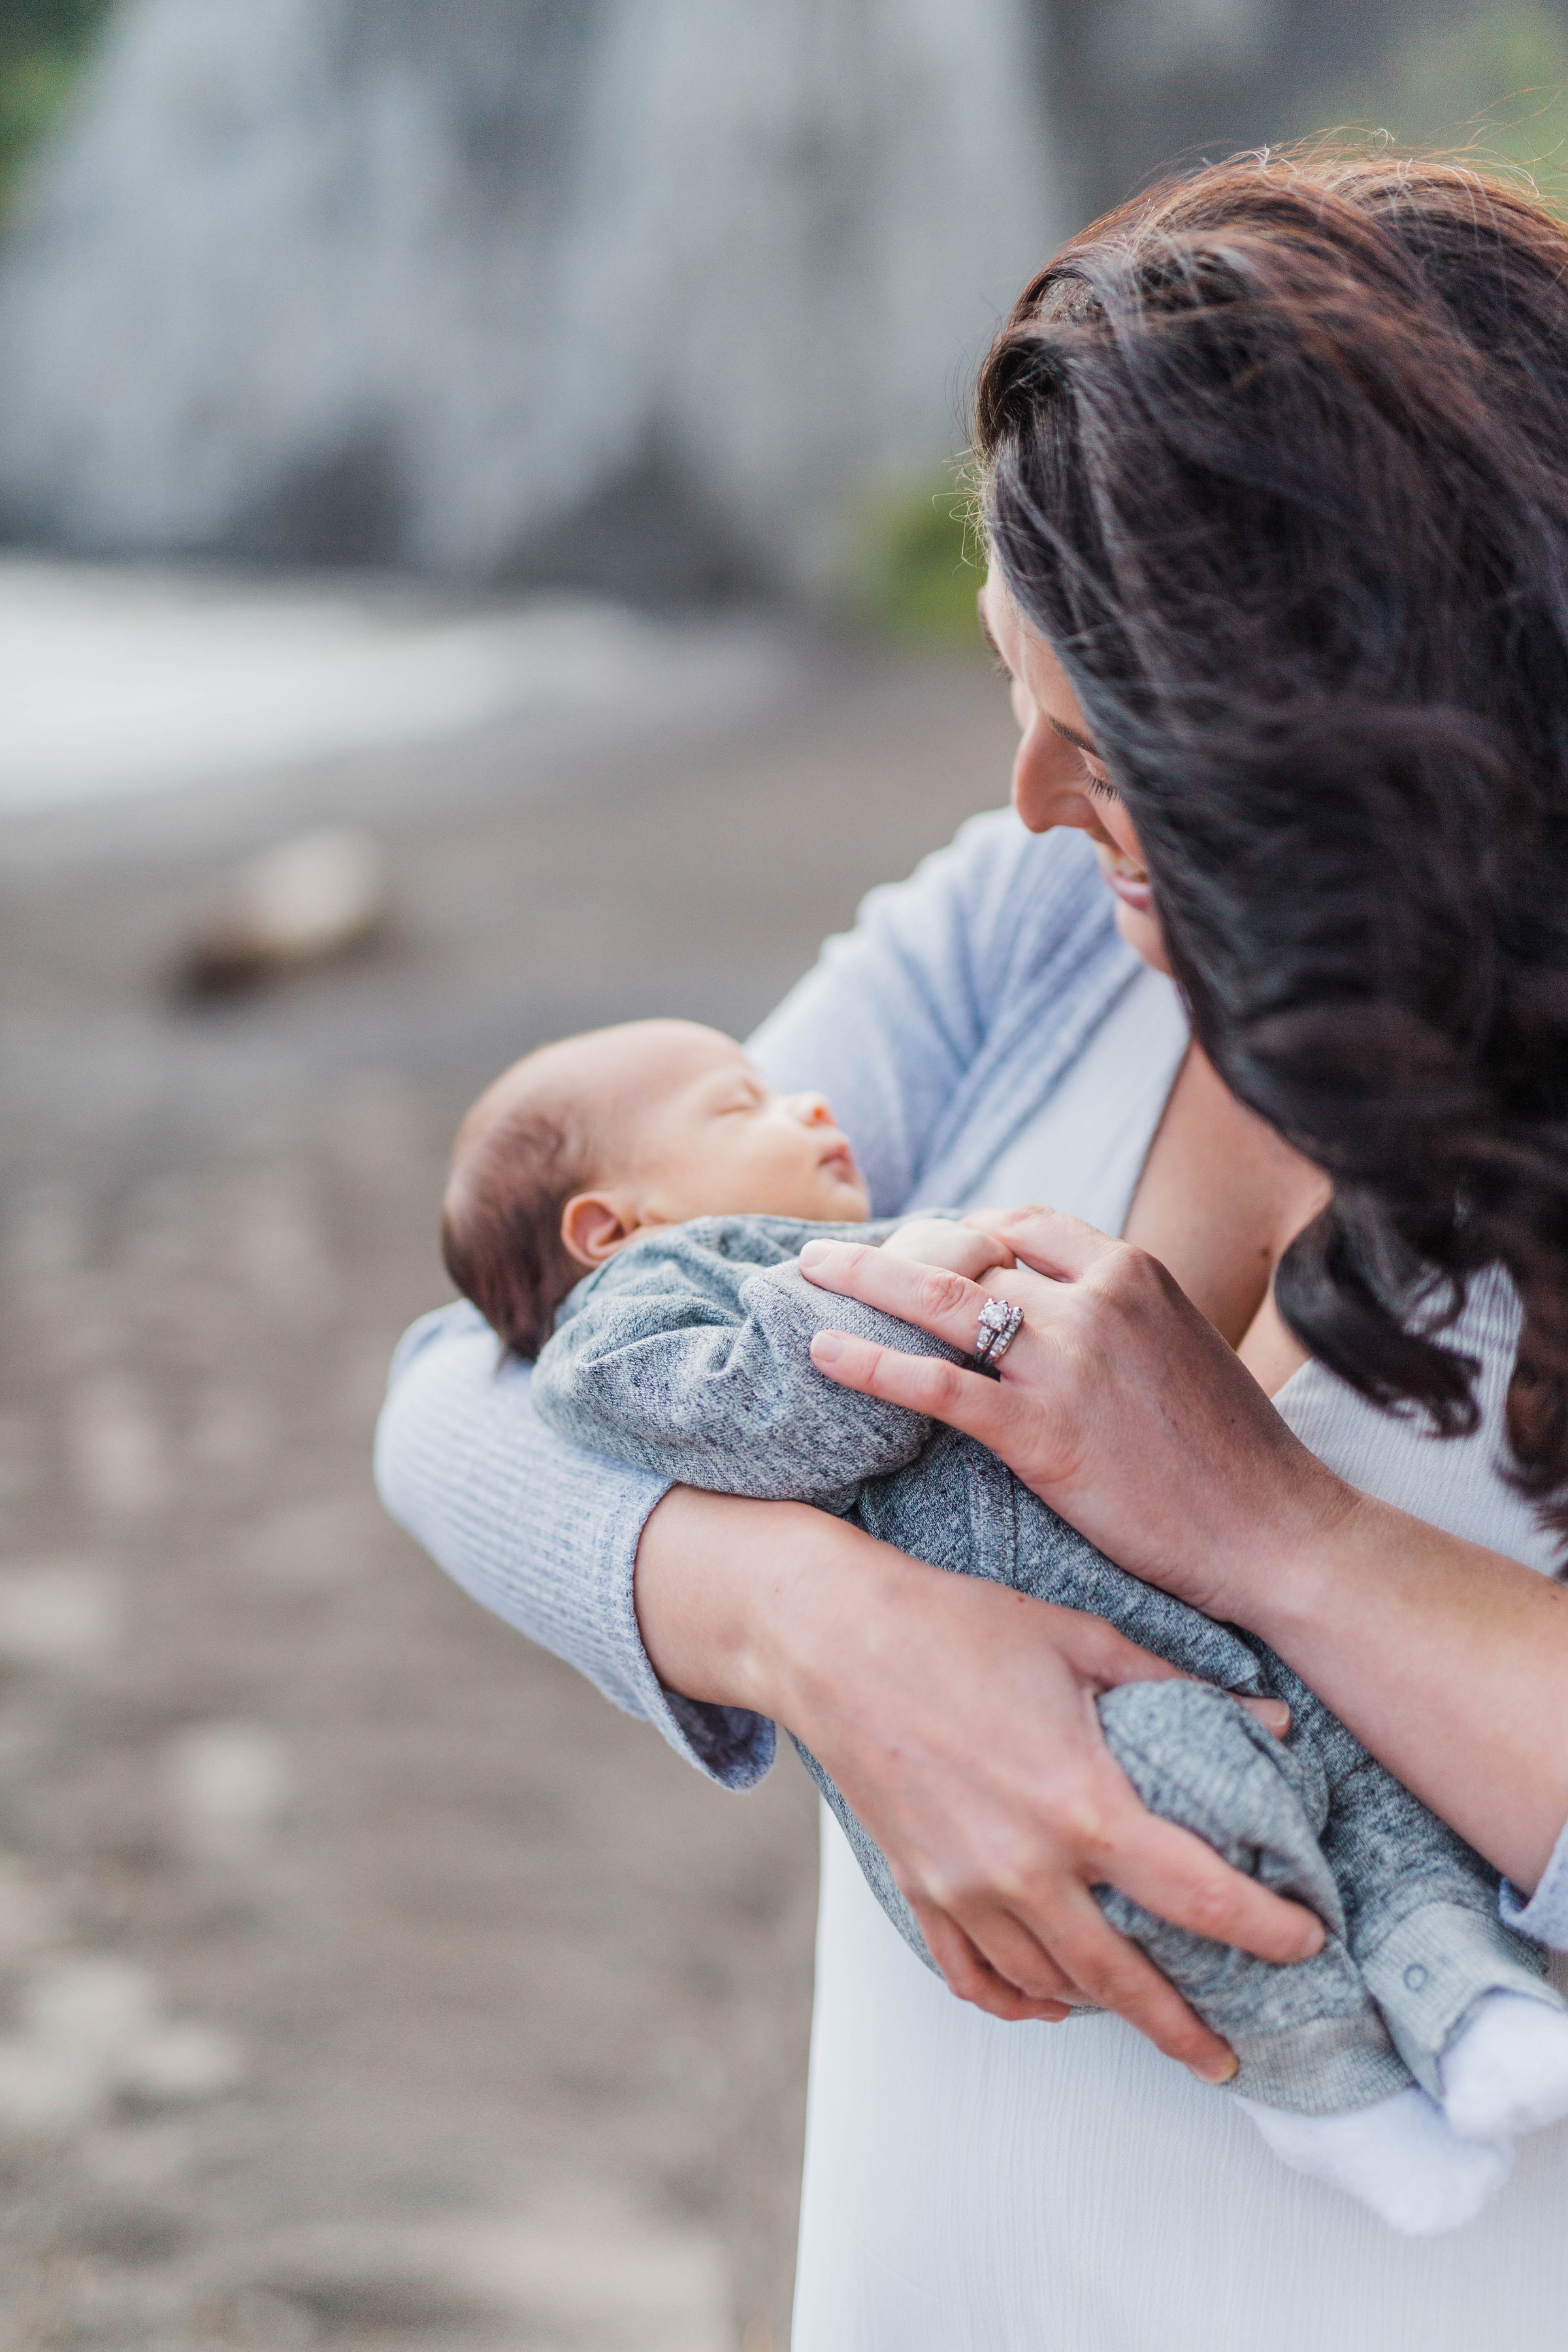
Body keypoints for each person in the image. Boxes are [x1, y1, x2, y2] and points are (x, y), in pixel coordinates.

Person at [376, 148, 1568, 2345]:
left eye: (1089, 722)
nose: (1024, 790)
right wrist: (824, 1634)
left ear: (1328, 723)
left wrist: (1276, 1532)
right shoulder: (1042, 931)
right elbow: (476, 1386)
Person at [435, 1011, 1567, 2231]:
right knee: (1199, 1845)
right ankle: (1331, 2089)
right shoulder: (651, 1311)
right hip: (1103, 1713)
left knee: (1367, 1795)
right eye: (741, 1106)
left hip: (1204, 1645)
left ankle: (1469, 2001)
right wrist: (812, 1615)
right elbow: (706, 1411)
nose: (813, 1108)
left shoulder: (837, 1242)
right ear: (611, 1227)